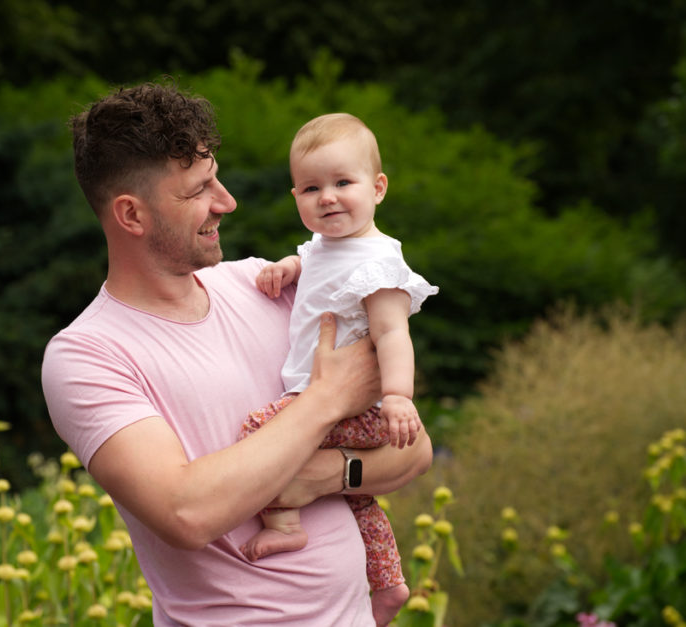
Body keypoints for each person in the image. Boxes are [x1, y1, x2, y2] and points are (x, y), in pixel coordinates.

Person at [41, 82, 433, 626]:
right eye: (199, 190)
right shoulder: (88, 357)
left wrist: (325, 475)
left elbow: (413, 452)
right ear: (132, 215)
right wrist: (326, 399)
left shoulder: (267, 286)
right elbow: (186, 512)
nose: (226, 201)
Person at [237, 113, 439, 626]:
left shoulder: (379, 262)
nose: (326, 197)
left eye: (342, 183)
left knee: (258, 431)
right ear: (296, 197)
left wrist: (397, 396)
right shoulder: (323, 248)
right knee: (359, 501)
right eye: (310, 188)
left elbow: (393, 334)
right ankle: (389, 583)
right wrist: (289, 267)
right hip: (325, 399)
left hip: (358, 406)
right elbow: (315, 263)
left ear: (378, 188)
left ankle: (284, 524)